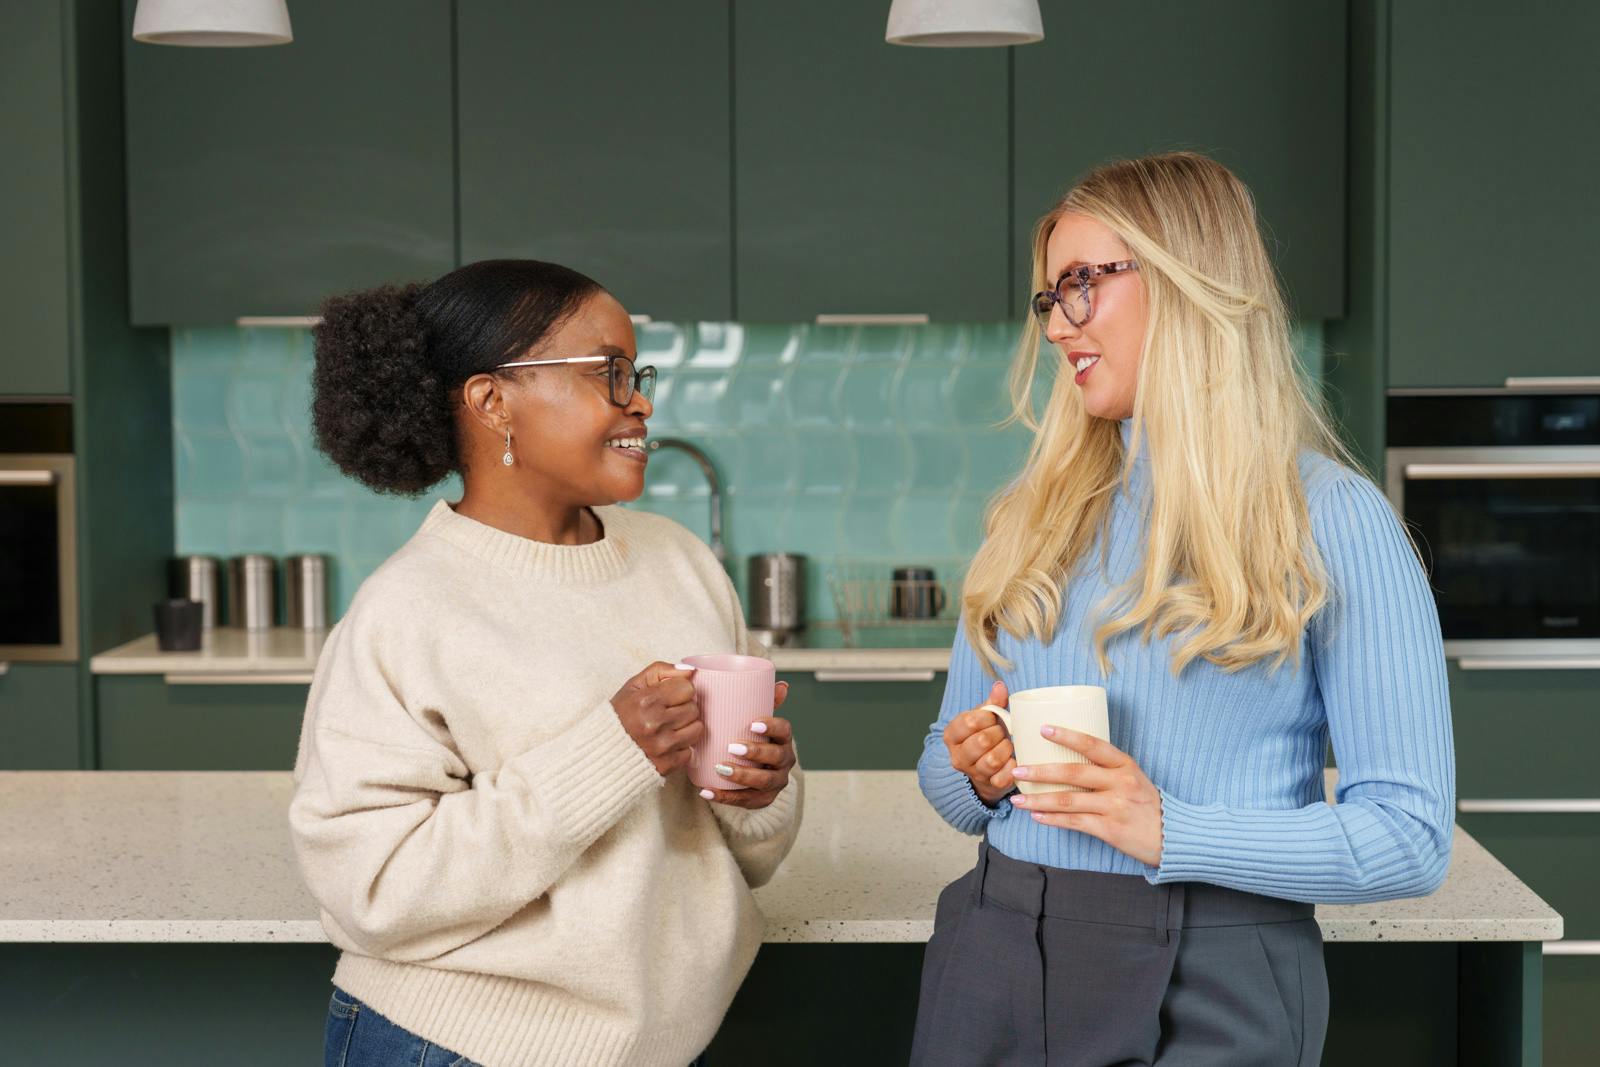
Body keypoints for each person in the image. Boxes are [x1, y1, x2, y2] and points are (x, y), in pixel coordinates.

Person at [912, 153, 1454, 1066]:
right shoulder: (1031, 516)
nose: (1058, 325)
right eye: (1051, 297)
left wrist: (1171, 829)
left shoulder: (1331, 517)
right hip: (1003, 939)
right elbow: (943, 772)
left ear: (1189, 281)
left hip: (1217, 969)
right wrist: (977, 769)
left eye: (1083, 283)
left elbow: (1409, 836)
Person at [288, 259, 802, 1067]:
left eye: (637, 372)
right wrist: (613, 749)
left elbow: (753, 852)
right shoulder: (407, 610)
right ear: (494, 401)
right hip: (459, 1047)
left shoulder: (679, 561)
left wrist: (759, 791)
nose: (641, 401)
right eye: (610, 373)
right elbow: (370, 888)